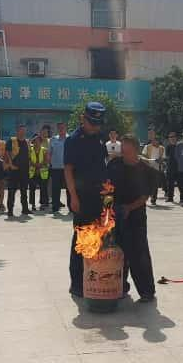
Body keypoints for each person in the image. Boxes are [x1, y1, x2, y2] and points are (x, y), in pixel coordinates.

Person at [64, 102, 108, 297]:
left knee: (98, 236)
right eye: (92, 123)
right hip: (82, 197)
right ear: (83, 119)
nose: (95, 127)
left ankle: (94, 277)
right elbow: (68, 170)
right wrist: (73, 197)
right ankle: (77, 283)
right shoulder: (73, 140)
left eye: (98, 124)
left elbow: (103, 165)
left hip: (100, 195)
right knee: (81, 238)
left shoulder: (100, 137)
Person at [109, 135, 157, 302]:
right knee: (117, 252)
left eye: (127, 151)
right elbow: (106, 186)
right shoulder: (114, 164)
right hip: (115, 213)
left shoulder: (146, 170)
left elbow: (144, 196)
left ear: (136, 151)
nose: (124, 153)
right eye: (122, 150)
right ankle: (120, 287)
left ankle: (147, 291)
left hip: (135, 216)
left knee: (138, 253)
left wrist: (129, 208)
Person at [4, 125, 31, 217]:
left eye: (24, 130)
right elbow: (7, 154)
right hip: (14, 170)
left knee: (24, 191)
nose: (22, 132)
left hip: (24, 170)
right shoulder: (11, 141)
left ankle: (25, 209)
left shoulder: (27, 142)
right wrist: (11, 165)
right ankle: (10, 210)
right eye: (21, 130)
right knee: (11, 191)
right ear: (17, 131)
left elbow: (28, 155)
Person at [48, 122, 70, 213]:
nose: (61, 129)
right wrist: (50, 163)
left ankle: (71, 207)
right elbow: (49, 153)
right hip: (55, 168)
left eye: (62, 127)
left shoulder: (70, 139)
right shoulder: (53, 139)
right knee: (55, 188)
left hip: (67, 168)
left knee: (69, 188)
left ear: (66, 128)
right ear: (57, 129)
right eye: (59, 128)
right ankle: (55, 206)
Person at [141, 134, 165, 205]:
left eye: (155, 140)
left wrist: (160, 160)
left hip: (157, 168)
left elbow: (163, 158)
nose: (153, 142)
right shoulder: (147, 147)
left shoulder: (162, 148)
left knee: (155, 184)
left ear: (158, 141)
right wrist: (146, 162)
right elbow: (143, 156)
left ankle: (153, 199)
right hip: (148, 167)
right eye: (153, 140)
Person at [28, 134, 50, 210]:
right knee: (32, 189)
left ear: (41, 142)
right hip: (32, 172)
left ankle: (43, 204)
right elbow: (28, 159)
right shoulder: (30, 150)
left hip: (43, 173)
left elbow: (47, 160)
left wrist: (39, 165)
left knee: (43, 189)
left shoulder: (44, 150)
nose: (37, 143)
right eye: (35, 141)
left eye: (38, 141)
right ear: (33, 142)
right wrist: (34, 165)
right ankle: (33, 204)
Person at [40, 124, 53, 209]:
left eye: (46, 132)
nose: (45, 134)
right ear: (40, 132)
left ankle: (51, 199)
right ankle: (43, 202)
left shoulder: (50, 141)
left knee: (51, 184)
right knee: (43, 185)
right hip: (41, 166)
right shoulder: (38, 141)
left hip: (50, 165)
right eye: (43, 132)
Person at [164, 131, 179, 202]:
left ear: (176, 138)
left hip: (179, 167)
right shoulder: (168, 146)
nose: (172, 138)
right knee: (170, 184)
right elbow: (166, 157)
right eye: (170, 137)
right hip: (170, 167)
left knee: (181, 184)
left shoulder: (179, 146)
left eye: (173, 137)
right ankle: (170, 198)